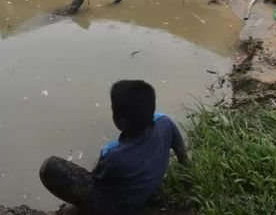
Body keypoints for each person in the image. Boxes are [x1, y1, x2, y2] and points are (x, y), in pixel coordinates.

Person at [40, 80, 188, 215]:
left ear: (119, 121)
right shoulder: (165, 122)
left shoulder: (113, 154)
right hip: (149, 187)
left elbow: (97, 180)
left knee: (49, 167)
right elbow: (181, 152)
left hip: (119, 207)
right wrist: (187, 176)